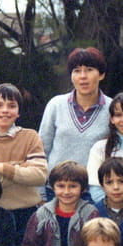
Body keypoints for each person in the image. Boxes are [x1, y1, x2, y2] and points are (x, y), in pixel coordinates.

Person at [0, 83, 48, 243]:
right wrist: (21, 167)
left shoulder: (31, 137)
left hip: (28, 214)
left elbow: (40, 176)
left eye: (12, 106)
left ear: (18, 112)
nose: (5, 110)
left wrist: (0, 167)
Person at [38, 47, 111, 200]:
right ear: (71, 76)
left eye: (89, 70)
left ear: (101, 74)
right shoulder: (56, 105)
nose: (83, 76)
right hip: (55, 191)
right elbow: (41, 151)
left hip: (94, 193)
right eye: (77, 71)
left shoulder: (113, 109)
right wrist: (40, 193)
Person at [22, 160, 98, 246]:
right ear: (53, 187)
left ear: (83, 188)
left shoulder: (90, 214)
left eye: (73, 186)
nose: (66, 192)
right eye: (61, 186)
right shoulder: (41, 214)